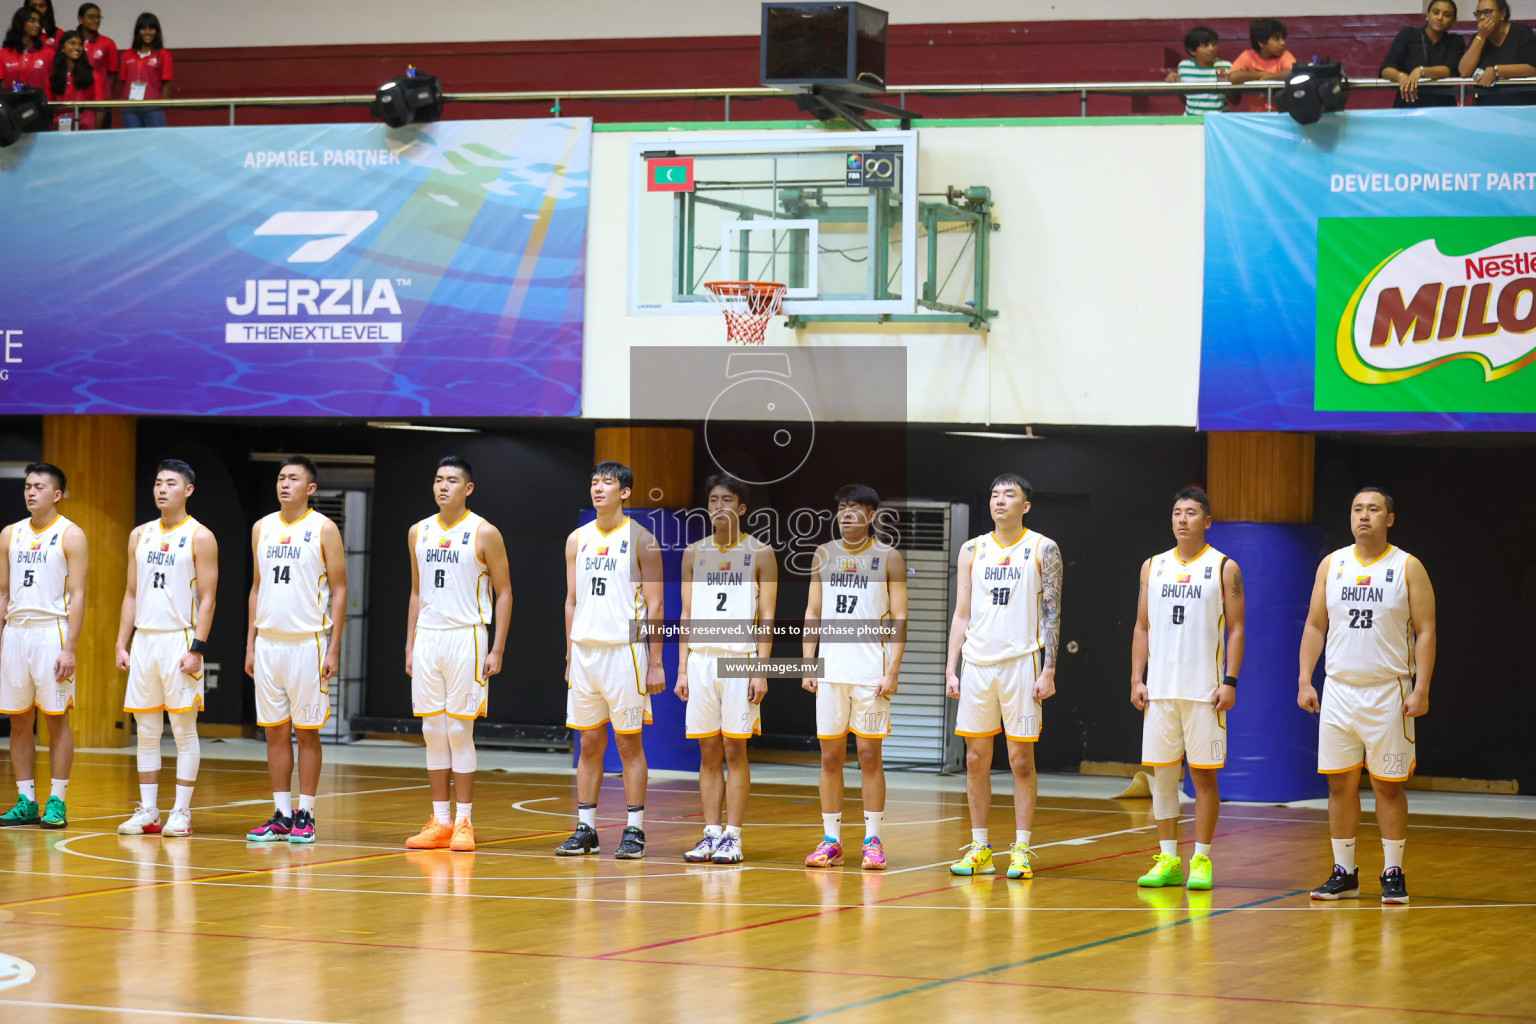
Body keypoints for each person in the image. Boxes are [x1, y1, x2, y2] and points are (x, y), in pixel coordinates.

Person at [1298, 488, 1436, 905]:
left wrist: (1423, 687)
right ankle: (1345, 872)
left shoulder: (1408, 566)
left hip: (1388, 691)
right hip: (1339, 689)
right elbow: (1315, 625)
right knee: (1339, 785)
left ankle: (1392, 871)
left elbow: (1426, 630)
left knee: (1387, 786)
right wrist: (1306, 679)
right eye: (1357, 508)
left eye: (1373, 509)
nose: (1364, 516)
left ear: (1389, 519)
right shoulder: (1332, 563)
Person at [946, 474, 1063, 880]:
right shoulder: (971, 549)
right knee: (976, 759)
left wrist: (1048, 668)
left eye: (1009, 495)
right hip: (977, 664)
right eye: (994, 494)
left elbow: (1052, 613)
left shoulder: (1043, 548)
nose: (1000, 500)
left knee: (1020, 760)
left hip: (1022, 663)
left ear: (1025, 506)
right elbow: (962, 613)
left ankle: (1022, 849)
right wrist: (951, 667)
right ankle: (980, 847)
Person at [1128, 487, 1245, 891]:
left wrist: (1230, 680)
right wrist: (1136, 678)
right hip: (1161, 690)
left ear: (1207, 521)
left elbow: (1236, 628)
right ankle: (1168, 859)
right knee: (1162, 777)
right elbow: (1142, 626)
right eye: (1177, 512)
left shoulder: (1224, 567)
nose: (1182, 519)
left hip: (1204, 691)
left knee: (1203, 777)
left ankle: (1202, 859)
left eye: (1191, 513)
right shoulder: (1152, 566)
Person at [401, 456, 513, 853]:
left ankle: (465, 820)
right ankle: (440, 820)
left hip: (468, 637)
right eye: (437, 480)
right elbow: (417, 592)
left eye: (451, 480)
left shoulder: (484, 532)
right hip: (429, 636)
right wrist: (410, 642)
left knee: (458, 730)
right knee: (432, 731)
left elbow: (505, 593)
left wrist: (497, 646)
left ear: (468, 489)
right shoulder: (419, 531)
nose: (442, 486)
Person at [557, 461, 665, 859]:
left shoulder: (642, 539)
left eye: (608, 482)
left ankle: (634, 830)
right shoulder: (576, 539)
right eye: (594, 482)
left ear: (625, 492)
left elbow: (656, 605)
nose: (598, 488)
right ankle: (586, 829)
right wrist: (570, 653)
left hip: (625, 652)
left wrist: (656, 661)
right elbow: (571, 601)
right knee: (588, 742)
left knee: (628, 743)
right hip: (585, 652)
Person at [802, 484, 908, 872]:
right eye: (842, 508)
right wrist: (808, 661)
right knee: (830, 757)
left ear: (872, 516)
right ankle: (831, 840)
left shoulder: (888, 557)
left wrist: (892, 670)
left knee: (868, 755)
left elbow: (899, 618)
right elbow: (813, 611)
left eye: (855, 508)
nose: (846, 514)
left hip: (870, 672)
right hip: (831, 671)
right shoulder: (823, 554)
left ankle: (872, 840)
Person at [243, 457, 348, 845]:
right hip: (269, 642)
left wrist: (333, 648)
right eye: (280, 478)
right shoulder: (262, 527)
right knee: (274, 733)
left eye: (293, 479)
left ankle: (307, 812)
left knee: (306, 732)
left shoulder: (324, 528)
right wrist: (251, 644)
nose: (284, 484)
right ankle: (282, 814)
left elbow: (339, 589)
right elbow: (256, 588)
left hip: (309, 643)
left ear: (311, 489)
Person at [676, 474, 777, 864]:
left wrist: (761, 669)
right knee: (707, 752)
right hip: (701, 659)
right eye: (713, 499)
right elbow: (685, 614)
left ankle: (733, 835)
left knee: (735, 748)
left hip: (739, 659)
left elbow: (767, 616)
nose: (718, 506)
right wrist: (683, 669)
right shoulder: (693, 552)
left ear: (741, 508)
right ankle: (710, 833)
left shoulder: (760, 553)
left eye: (727, 500)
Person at [115, 460, 218, 838]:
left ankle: (182, 812)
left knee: (183, 729)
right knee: (145, 730)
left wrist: (197, 648)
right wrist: (121, 642)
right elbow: (130, 593)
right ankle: (148, 812)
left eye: (170, 484)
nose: (161, 489)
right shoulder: (139, 534)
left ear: (187, 490)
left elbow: (208, 598)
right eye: (158, 483)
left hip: (179, 638)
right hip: (145, 640)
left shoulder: (200, 536)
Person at [0, 464, 87, 830]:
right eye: (27, 486)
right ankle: (26, 801)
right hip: (16, 631)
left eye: (39, 487)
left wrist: (70, 648)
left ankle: (58, 800)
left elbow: (79, 594)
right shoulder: (10, 533)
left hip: (52, 631)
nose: (30, 492)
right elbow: (4, 592)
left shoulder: (71, 534)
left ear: (57, 494)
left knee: (56, 719)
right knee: (19, 720)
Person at [1381, 2, 1466, 107]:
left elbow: (1448, 70)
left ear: (1453, 20)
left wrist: (1421, 70)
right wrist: (1401, 77)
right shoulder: (1408, 35)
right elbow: (1386, 69)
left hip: (1442, 106)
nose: (1440, 17)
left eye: (1446, 15)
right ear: (1427, 15)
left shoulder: (1455, 41)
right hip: (1407, 104)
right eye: (1436, 12)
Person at [1459, 0, 1536, 105]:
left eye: (1487, 12)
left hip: (1522, 102)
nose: (1481, 17)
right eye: (1478, 13)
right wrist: (1481, 36)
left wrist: (1496, 71)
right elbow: (1464, 71)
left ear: (1502, 13)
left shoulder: (1522, 32)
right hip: (1487, 104)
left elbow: (1532, 68)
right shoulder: (1478, 38)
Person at [1229, 17, 1297, 111]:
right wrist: (1261, 74)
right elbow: (1234, 77)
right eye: (1276, 39)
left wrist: (1267, 78)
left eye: (1283, 38)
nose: (1282, 43)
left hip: (1281, 117)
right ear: (1261, 42)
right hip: (1255, 119)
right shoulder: (1248, 56)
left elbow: (1291, 72)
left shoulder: (1285, 55)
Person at [117, 10, 171, 128]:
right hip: (130, 106)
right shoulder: (127, 55)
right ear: (138, 31)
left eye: (151, 28)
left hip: (153, 105)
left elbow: (166, 84)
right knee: (134, 141)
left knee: (156, 140)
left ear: (157, 31)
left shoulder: (163, 54)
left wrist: (161, 106)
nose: (147, 32)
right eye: (143, 29)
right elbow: (123, 81)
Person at [1165, 26, 1231, 115]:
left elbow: (1235, 101)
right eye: (1205, 45)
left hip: (1217, 121)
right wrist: (1176, 85)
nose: (1212, 49)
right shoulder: (1184, 67)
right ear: (1192, 50)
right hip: (1191, 120)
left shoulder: (1225, 66)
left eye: (1214, 44)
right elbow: (1187, 100)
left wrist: (1225, 84)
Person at [47, 30, 104, 129]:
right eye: (72, 43)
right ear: (62, 48)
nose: (77, 47)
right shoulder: (52, 77)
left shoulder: (93, 75)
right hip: (59, 130)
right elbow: (49, 109)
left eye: (80, 44)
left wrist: (95, 134)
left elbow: (100, 109)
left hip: (85, 128)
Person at [1, 6, 53, 90]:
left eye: (39, 22)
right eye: (32, 21)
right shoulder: (3, 54)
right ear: (20, 22)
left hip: (41, 102)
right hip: (12, 102)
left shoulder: (49, 53)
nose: (37, 25)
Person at [76, 4, 117, 102]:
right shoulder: (73, 42)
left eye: (98, 17)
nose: (96, 20)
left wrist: (105, 98)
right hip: (78, 97)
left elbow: (113, 74)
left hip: (101, 99)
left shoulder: (108, 43)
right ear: (80, 19)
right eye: (91, 17)